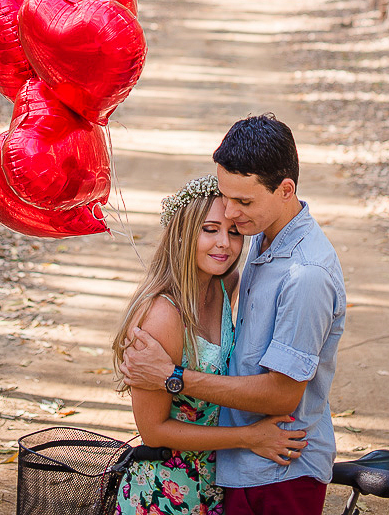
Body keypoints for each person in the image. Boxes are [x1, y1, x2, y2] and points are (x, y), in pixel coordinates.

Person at [120, 115, 346, 515]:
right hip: (220, 471)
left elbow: (282, 393)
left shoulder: (305, 274)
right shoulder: (258, 235)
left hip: (279, 466)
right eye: (226, 198)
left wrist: (172, 377)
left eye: (243, 203)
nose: (232, 218)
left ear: (285, 190)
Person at [112, 174, 307, 515]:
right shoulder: (162, 317)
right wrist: (249, 436)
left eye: (234, 232)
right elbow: (154, 431)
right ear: (183, 232)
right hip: (164, 493)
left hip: (214, 486)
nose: (225, 244)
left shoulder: (220, 285)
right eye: (210, 229)